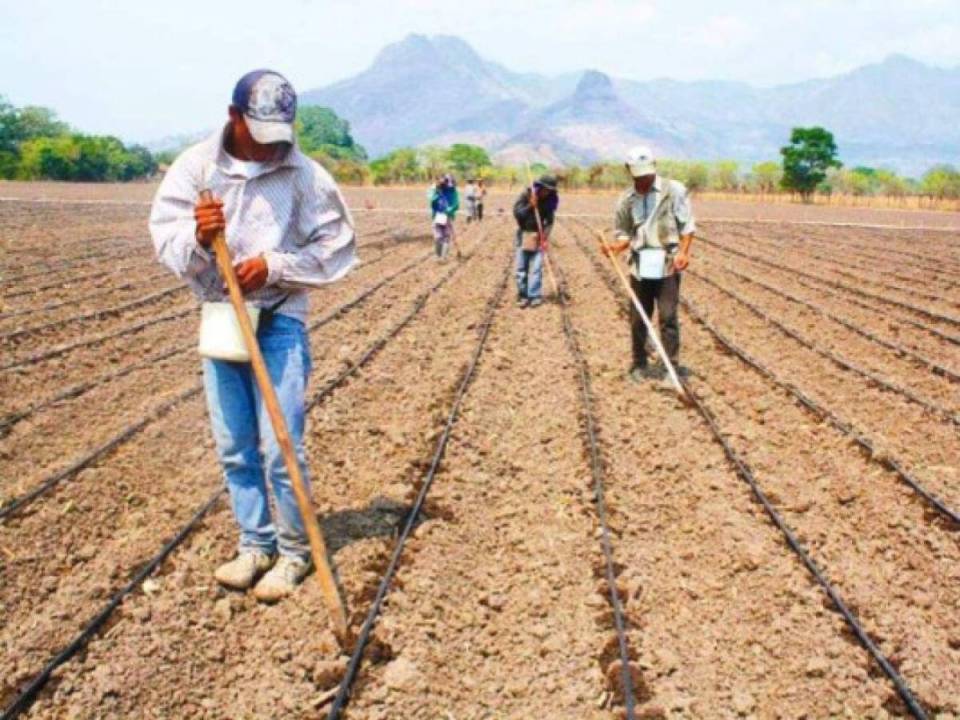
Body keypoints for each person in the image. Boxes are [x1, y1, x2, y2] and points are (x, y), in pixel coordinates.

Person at [149, 69, 357, 601]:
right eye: (258, 132)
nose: (269, 148)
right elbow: (165, 238)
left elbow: (337, 246)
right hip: (222, 318)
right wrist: (198, 235)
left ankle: (293, 554)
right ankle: (255, 544)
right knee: (236, 446)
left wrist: (275, 265)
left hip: (279, 319)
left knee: (280, 447)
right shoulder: (195, 168)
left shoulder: (306, 175)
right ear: (234, 116)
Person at [602, 146, 695, 383]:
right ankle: (639, 364)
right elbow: (624, 234)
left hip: (667, 263)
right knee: (638, 317)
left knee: (668, 317)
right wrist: (615, 247)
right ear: (629, 171)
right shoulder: (626, 199)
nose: (643, 179)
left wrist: (683, 253)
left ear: (654, 167)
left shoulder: (673, 191)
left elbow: (687, 227)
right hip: (640, 264)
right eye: (638, 175)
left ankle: (670, 368)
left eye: (647, 174)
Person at [513, 174, 559, 308]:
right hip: (524, 234)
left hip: (539, 237)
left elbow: (550, 222)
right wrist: (530, 206)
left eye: (549, 190)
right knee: (521, 268)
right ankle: (522, 295)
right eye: (545, 189)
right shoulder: (526, 195)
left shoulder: (550, 201)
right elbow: (517, 214)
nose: (547, 192)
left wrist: (544, 237)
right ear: (539, 187)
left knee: (536, 268)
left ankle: (534, 295)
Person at [428, 174, 459, 260]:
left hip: (443, 216)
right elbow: (456, 205)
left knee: (442, 236)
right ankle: (441, 256)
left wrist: (448, 210)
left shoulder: (450, 191)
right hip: (440, 215)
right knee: (441, 237)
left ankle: (441, 256)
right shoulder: (436, 190)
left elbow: (456, 205)